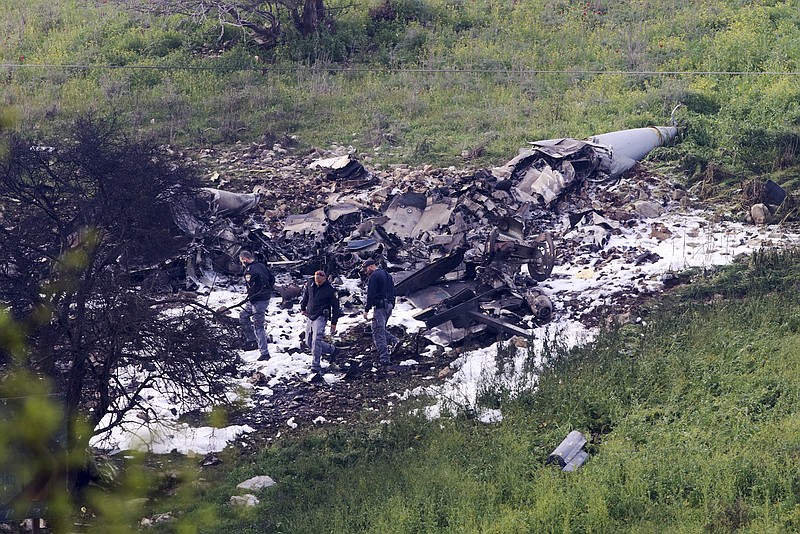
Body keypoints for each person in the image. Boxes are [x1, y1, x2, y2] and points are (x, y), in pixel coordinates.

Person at [300, 270, 341, 374]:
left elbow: (336, 307)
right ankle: (332, 349)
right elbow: (306, 296)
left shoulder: (330, 290)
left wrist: (333, 322)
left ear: (325, 279)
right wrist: (302, 307)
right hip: (310, 315)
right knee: (308, 342)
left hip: (321, 316)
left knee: (316, 340)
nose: (317, 282)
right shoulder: (310, 283)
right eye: (316, 280)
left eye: (319, 281)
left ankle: (315, 365)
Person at [237, 250, 274, 361]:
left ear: (245, 259)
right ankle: (252, 340)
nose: (242, 264)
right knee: (243, 315)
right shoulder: (262, 266)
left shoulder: (249, 270)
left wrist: (254, 296)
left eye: (242, 261)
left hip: (257, 301)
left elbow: (251, 286)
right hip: (262, 298)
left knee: (259, 326)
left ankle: (264, 353)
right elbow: (272, 279)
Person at [362, 259, 400, 366]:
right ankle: (394, 340)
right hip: (388, 306)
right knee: (380, 329)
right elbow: (394, 290)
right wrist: (392, 304)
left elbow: (371, 294)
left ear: (370, 267)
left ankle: (384, 359)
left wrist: (366, 309)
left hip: (380, 306)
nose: (365, 273)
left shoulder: (374, 276)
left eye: (365, 270)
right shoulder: (387, 275)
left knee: (378, 332)